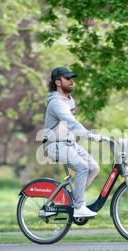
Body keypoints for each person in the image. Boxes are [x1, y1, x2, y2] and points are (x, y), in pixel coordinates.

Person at [42, 67, 103, 218]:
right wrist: (90, 135)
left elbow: (71, 126)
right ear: (57, 82)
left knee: (93, 168)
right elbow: (71, 122)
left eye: (72, 78)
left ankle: (72, 201)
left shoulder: (69, 100)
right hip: (54, 145)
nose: (71, 81)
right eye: (67, 78)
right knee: (82, 167)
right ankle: (78, 207)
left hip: (68, 143)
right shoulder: (56, 102)